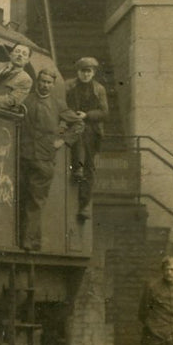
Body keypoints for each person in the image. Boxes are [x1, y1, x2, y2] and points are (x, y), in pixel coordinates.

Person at [19, 67, 80, 251]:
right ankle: (32, 240)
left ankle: (29, 242)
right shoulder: (27, 99)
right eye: (42, 81)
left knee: (36, 200)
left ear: (53, 85)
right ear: (37, 82)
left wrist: (63, 141)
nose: (45, 85)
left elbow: (78, 124)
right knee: (23, 198)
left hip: (45, 159)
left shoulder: (58, 105)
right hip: (24, 156)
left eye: (48, 82)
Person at [65, 56, 109, 222]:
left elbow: (105, 113)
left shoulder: (99, 89)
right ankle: (77, 167)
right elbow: (61, 104)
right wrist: (72, 115)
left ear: (93, 73)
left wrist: (87, 115)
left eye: (89, 71)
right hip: (71, 124)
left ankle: (84, 205)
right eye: (83, 71)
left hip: (91, 129)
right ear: (78, 72)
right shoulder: (69, 86)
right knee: (78, 131)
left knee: (89, 169)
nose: (85, 74)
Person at [0, 43, 34, 111]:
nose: (20, 55)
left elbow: (11, 101)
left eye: (24, 54)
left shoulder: (25, 80)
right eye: (17, 51)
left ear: (27, 60)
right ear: (10, 54)